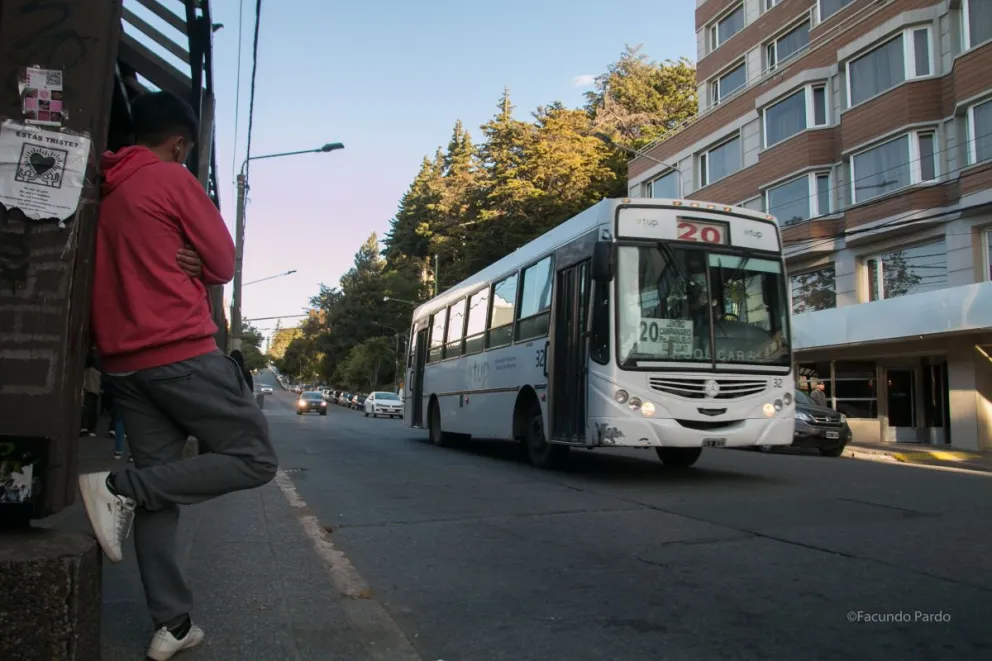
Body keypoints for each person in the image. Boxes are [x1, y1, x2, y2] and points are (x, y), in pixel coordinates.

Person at [77, 90, 277, 661]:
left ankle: (175, 623)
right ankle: (116, 487)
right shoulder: (171, 181)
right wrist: (197, 255)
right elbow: (222, 261)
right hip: (179, 354)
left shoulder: (106, 190)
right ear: (180, 144)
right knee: (255, 458)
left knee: (162, 490)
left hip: (123, 366)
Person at [80, 358, 102, 436]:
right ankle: (91, 428)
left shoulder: (85, 370)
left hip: (86, 389)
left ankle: (84, 427)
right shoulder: (97, 371)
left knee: (84, 409)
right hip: (94, 390)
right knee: (93, 409)